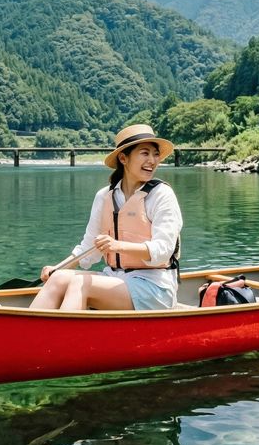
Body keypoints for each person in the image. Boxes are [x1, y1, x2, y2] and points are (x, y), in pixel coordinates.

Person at [30, 124, 182, 311]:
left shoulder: (162, 195)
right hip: (114, 278)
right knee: (59, 278)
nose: (152, 160)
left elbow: (163, 250)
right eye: (145, 153)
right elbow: (89, 248)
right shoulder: (104, 196)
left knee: (81, 284)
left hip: (154, 286)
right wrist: (59, 267)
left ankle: (64, 339)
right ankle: (26, 336)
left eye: (155, 154)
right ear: (123, 158)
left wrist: (118, 245)